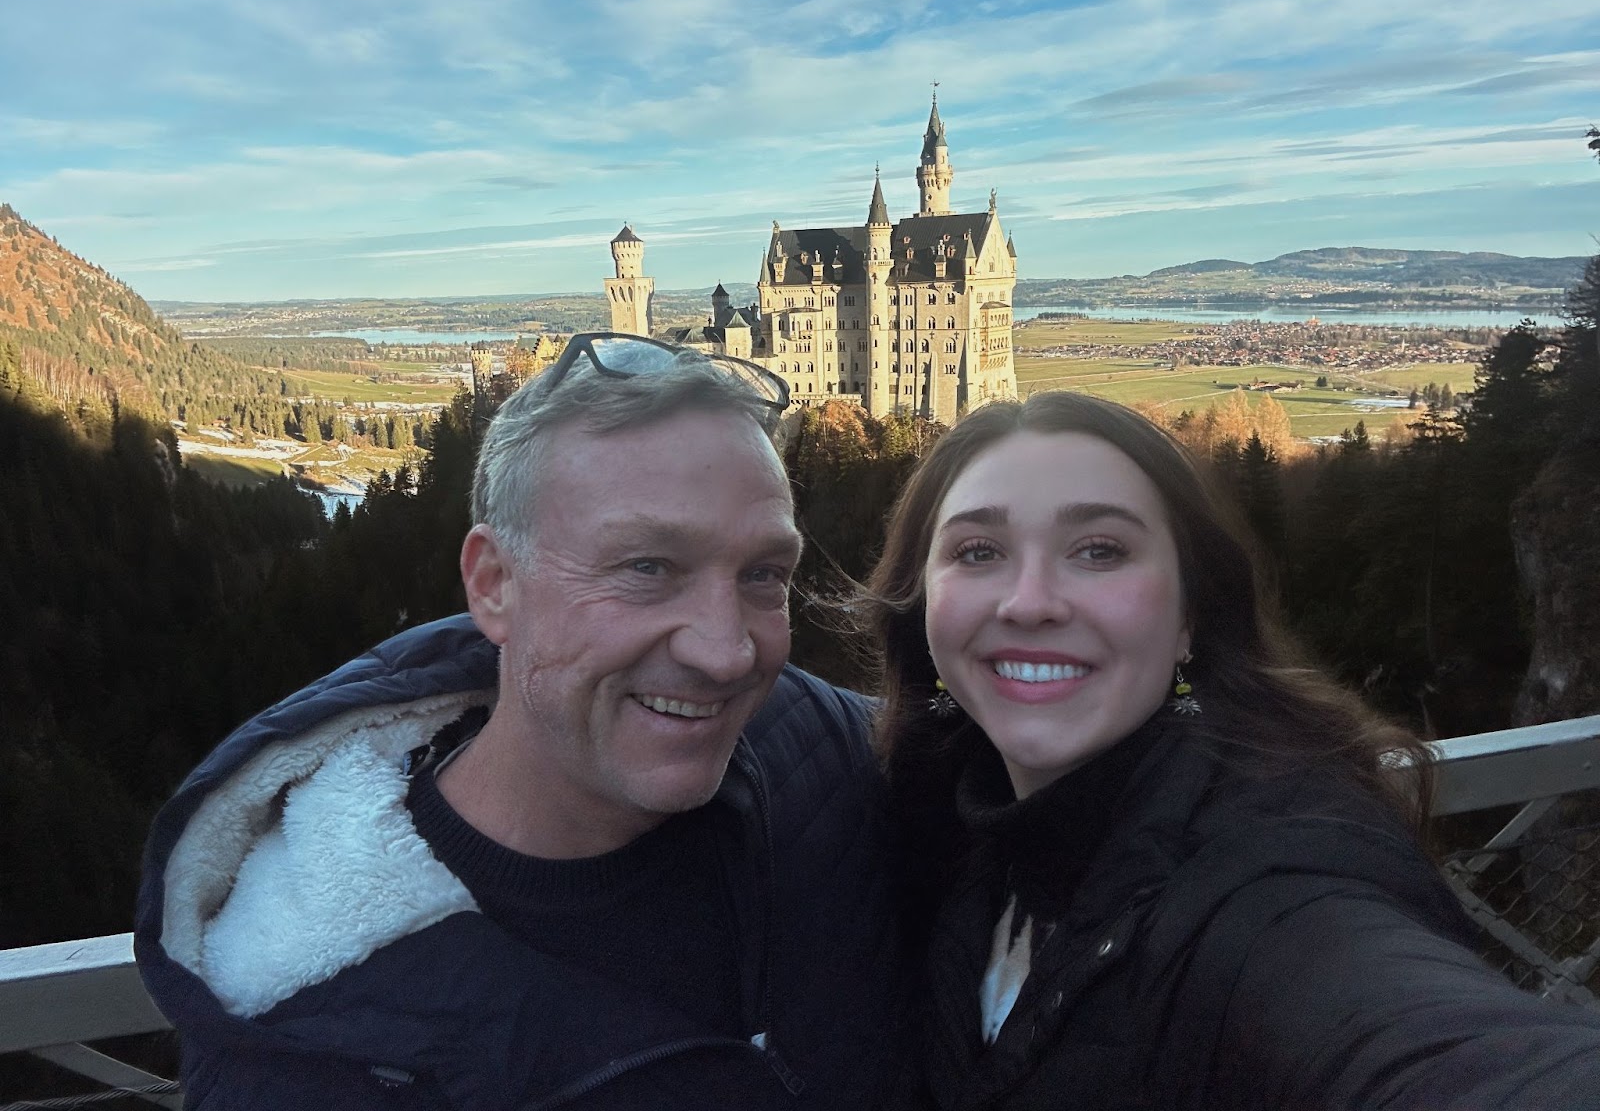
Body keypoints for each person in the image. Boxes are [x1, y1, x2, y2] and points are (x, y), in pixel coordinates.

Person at [135, 333, 907, 1109]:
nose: (727, 652)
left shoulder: (808, 750)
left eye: (763, 575)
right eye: (646, 568)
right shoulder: (307, 1058)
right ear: (495, 585)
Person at [865, 390, 1600, 1111]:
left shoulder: (1274, 871)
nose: (1029, 602)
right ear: (923, 601)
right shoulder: (951, 809)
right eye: (978, 550)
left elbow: (1411, 1035)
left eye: (1099, 550)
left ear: (1191, 615)